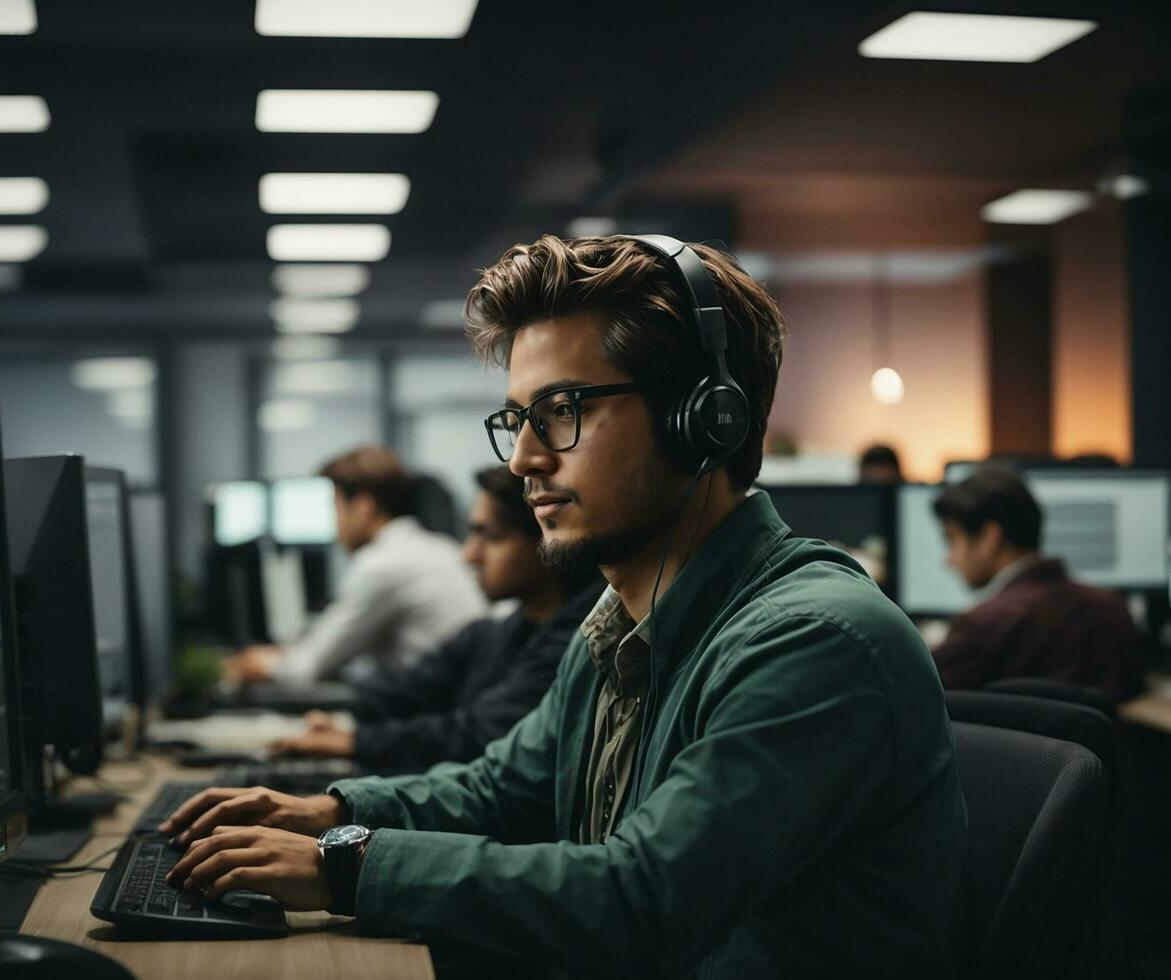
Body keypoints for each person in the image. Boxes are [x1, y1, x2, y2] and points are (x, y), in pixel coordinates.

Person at [160, 235, 966, 978]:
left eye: (561, 411)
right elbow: (504, 791)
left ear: (702, 419)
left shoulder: (813, 641)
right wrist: (326, 811)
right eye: (518, 419)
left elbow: (643, 895)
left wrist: (345, 863)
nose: (523, 459)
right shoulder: (620, 622)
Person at [268, 465, 603, 770]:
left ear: (548, 534)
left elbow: (481, 733)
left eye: (490, 536)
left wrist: (356, 741)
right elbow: (410, 688)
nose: (469, 554)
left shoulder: (576, 643)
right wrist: (344, 727)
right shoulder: (494, 632)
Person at [229, 446, 487, 688]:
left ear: (363, 506)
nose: (335, 525)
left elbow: (306, 669)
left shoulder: (381, 564)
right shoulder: (439, 546)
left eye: (336, 507)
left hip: (436, 711)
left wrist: (256, 663)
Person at [931, 466, 1143, 700]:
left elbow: (918, 700)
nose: (948, 561)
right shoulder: (1112, 608)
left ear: (990, 537)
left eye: (952, 540)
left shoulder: (982, 624)